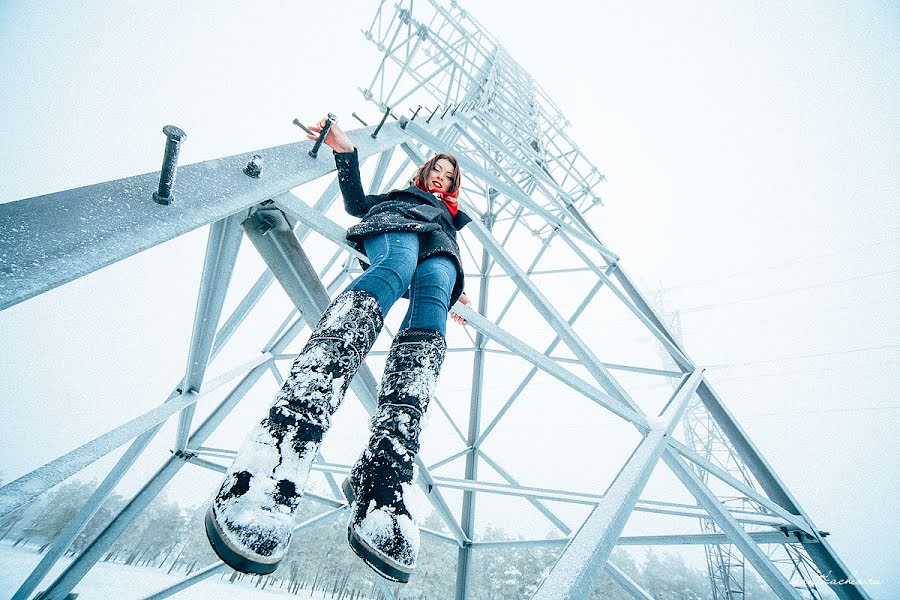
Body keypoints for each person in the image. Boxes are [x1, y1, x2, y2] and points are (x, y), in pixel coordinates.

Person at [206, 116, 474, 584]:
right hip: (399, 232)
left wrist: (453, 291)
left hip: (442, 253)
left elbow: (441, 267)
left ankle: (384, 475)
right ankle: (283, 445)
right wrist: (345, 152)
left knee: (432, 319)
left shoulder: (451, 220)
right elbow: (356, 204)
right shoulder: (401, 197)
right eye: (438, 170)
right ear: (425, 170)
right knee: (395, 268)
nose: (442, 178)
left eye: (450, 177)